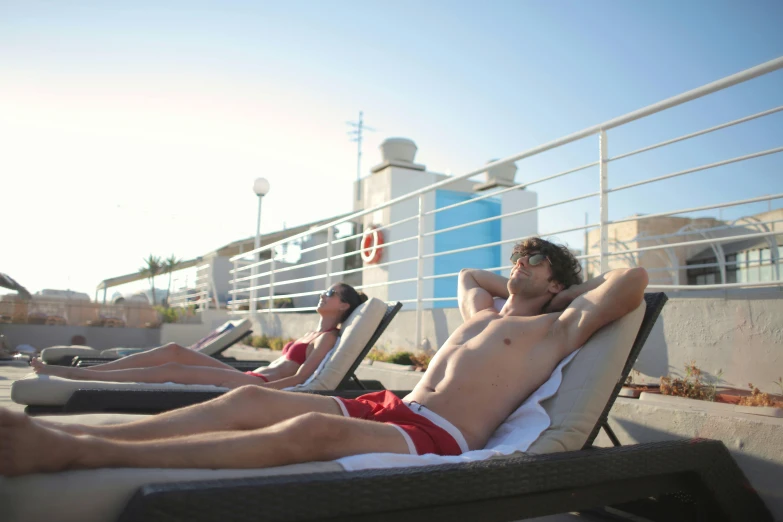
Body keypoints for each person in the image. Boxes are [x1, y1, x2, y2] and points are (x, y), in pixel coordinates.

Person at [0, 238, 648, 477]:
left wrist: (558, 288)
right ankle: (69, 427)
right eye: (516, 258)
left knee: (310, 428)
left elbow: (633, 281)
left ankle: (84, 451)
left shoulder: (558, 327)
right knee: (252, 396)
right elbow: (471, 281)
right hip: (396, 407)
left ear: (558, 283)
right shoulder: (488, 313)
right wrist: (518, 281)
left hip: (443, 436)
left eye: (531, 261)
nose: (515, 266)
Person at [30, 283, 368, 390]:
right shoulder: (312, 331)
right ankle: (87, 373)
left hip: (254, 385)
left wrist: (258, 393)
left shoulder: (326, 339)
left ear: (344, 305)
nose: (324, 295)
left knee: (172, 372)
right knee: (174, 349)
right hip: (246, 377)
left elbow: (301, 379)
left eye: (331, 293)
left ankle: (77, 376)